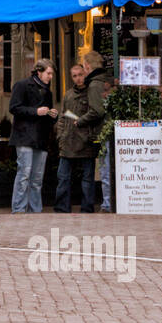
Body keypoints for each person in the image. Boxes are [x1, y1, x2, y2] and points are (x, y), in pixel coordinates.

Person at [8, 59, 56, 213]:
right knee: (24, 174)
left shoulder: (48, 92)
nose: (50, 77)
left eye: (52, 74)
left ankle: (35, 210)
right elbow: (14, 108)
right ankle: (19, 209)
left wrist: (52, 115)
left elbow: (45, 114)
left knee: (37, 178)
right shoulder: (22, 85)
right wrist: (36, 111)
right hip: (24, 136)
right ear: (39, 72)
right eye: (48, 73)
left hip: (41, 138)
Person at [55, 62, 97, 212]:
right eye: (75, 76)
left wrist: (88, 133)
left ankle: (87, 208)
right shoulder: (69, 94)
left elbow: (96, 114)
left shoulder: (91, 93)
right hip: (68, 140)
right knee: (63, 177)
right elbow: (63, 115)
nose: (78, 79)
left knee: (87, 179)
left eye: (80, 75)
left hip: (86, 141)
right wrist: (60, 135)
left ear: (85, 74)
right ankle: (62, 208)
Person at [82, 52, 114, 212]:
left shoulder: (94, 84)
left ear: (87, 66)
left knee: (105, 168)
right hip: (113, 130)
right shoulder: (108, 80)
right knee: (110, 167)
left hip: (103, 131)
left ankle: (108, 204)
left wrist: (80, 120)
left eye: (83, 66)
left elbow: (97, 111)